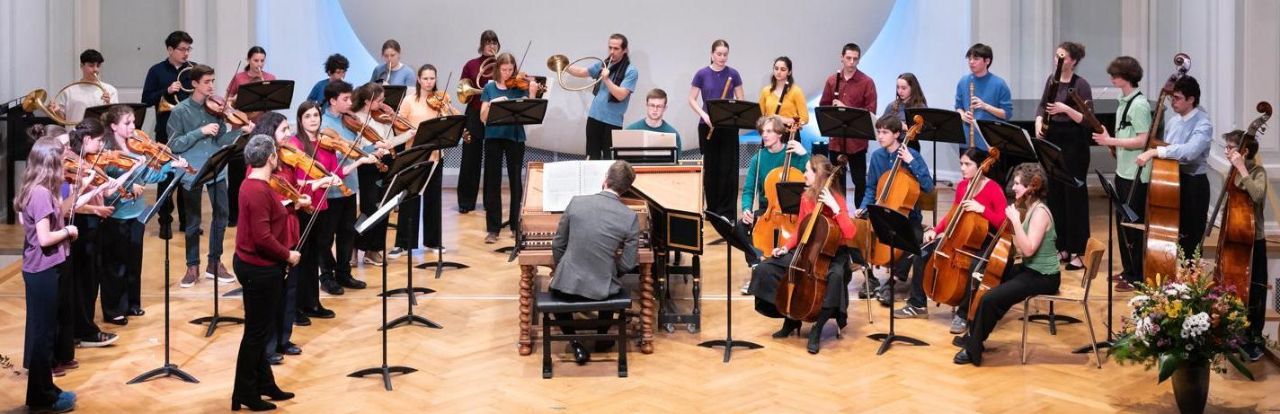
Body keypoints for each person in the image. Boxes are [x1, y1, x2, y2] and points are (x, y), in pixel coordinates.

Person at [892, 148, 1007, 337]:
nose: (962, 168)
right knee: (922, 253)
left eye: (967, 164)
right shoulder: (962, 187)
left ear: (981, 167)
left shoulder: (993, 189)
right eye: (961, 163)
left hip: (983, 243)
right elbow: (952, 214)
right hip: (958, 238)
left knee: (974, 269)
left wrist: (982, 209)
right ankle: (917, 304)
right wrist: (935, 231)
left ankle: (963, 314)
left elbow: (1004, 223)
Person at [748, 154, 856, 354]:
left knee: (835, 277)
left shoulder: (837, 199)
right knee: (767, 268)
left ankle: (818, 327)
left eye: (807, 171)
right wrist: (786, 247)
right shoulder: (807, 197)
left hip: (833, 254)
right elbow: (800, 228)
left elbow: (850, 233)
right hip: (807, 249)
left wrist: (834, 208)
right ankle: (790, 318)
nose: (804, 174)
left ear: (819, 175)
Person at [955, 163, 1060, 366]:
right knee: (989, 284)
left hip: (1044, 276)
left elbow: (1028, 249)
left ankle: (973, 350)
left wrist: (1016, 222)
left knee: (990, 299)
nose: (1013, 187)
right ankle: (974, 337)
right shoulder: (1029, 207)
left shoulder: (1040, 213)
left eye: (1018, 184)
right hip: (1030, 269)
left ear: (1032, 187)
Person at [98, 106, 188, 330]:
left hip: (136, 213)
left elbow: (149, 175)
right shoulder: (106, 152)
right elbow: (104, 182)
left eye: (133, 122)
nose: (133, 127)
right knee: (115, 265)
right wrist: (130, 183)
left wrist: (171, 166)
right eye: (127, 123)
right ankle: (113, 310)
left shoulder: (136, 148)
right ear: (113, 126)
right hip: (115, 214)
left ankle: (131, 303)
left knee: (133, 262)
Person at [166, 64, 255, 288]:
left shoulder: (217, 110)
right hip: (192, 171)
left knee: (222, 216)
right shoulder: (180, 112)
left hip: (216, 168)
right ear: (194, 84)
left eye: (213, 81)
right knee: (194, 221)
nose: (212, 86)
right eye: (207, 82)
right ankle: (192, 265)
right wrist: (200, 132)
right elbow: (174, 145)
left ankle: (214, 263)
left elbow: (222, 141)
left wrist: (238, 130)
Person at [231, 134, 300, 411]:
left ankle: (264, 383)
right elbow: (262, 237)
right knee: (256, 333)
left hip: (254, 266)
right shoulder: (257, 190)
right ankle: (244, 392)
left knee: (259, 329)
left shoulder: (252, 185)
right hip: (259, 269)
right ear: (271, 158)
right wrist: (288, 255)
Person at [549, 161, 641, 364]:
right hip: (602, 289)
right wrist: (607, 270)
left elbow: (557, 245)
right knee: (613, 285)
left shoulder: (576, 202)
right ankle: (601, 337)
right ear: (627, 188)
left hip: (567, 284)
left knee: (555, 290)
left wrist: (562, 268)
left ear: (605, 180)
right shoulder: (630, 216)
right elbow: (627, 264)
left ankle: (574, 342)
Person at [292, 101, 374, 322]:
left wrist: (358, 163)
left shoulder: (325, 144)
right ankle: (296, 308)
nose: (313, 119)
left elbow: (335, 172)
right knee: (302, 258)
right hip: (303, 206)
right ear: (300, 120)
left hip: (322, 205)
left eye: (315, 115)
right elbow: (295, 180)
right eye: (307, 116)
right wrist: (321, 181)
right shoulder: (295, 143)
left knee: (312, 259)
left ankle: (312, 303)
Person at [17, 136, 79, 413]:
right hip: (43, 270)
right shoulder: (41, 193)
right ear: (52, 162)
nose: (67, 163)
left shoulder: (36, 188)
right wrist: (69, 232)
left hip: (42, 268)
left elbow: (52, 217)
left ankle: (45, 392)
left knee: (46, 334)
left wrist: (79, 194)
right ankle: (43, 398)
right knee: (43, 337)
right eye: (63, 159)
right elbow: (44, 238)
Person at [318, 80, 385, 295]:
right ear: (332, 101)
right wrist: (346, 150)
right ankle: (326, 276)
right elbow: (325, 155)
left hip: (350, 185)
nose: (350, 102)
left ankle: (344, 272)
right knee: (327, 236)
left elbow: (359, 147)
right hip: (331, 188)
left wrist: (374, 147)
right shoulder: (322, 123)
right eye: (345, 99)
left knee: (347, 232)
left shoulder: (348, 120)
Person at [1090, 56, 1152, 291]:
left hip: (1137, 173)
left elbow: (1142, 139)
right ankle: (1128, 271)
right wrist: (1110, 137)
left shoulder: (1139, 105)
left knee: (1134, 226)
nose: (1111, 79)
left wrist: (1110, 140)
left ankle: (1137, 274)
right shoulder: (1123, 101)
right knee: (1123, 223)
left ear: (1125, 77)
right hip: (1123, 171)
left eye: (1114, 75)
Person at [1135, 76, 1212, 260]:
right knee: (1174, 233)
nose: (1173, 102)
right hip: (1172, 181)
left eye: (1177, 98)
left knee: (1191, 239)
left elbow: (1190, 152)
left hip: (1194, 185)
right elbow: (1170, 149)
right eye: (1172, 97)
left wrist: (1155, 152)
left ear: (1191, 99)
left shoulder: (1203, 123)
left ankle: (1190, 282)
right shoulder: (1174, 121)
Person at [858, 114, 934, 300]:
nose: (880, 136)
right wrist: (863, 207)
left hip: (907, 216)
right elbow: (871, 188)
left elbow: (928, 186)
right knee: (855, 229)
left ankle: (893, 280)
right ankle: (870, 277)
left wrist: (911, 162)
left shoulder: (912, 155)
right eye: (879, 132)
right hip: (882, 211)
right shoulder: (877, 157)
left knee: (913, 239)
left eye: (885, 132)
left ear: (897, 134)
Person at [1035, 42, 1093, 271]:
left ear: (1073, 61)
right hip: (1054, 140)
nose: (1058, 60)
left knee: (1075, 198)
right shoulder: (1052, 80)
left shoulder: (1082, 85)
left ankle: (1078, 250)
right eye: (1056, 56)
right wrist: (1039, 122)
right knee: (1056, 195)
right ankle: (1063, 247)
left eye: (1063, 57)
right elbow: (1042, 107)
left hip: (1074, 143)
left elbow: (1088, 120)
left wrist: (1065, 109)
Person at [390, 64, 457, 258]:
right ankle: (403, 244)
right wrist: (406, 130)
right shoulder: (409, 101)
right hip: (414, 154)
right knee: (409, 197)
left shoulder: (441, 101)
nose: (429, 82)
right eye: (425, 78)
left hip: (435, 155)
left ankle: (433, 241)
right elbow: (398, 128)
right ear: (419, 79)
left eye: (432, 78)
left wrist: (447, 110)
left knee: (433, 199)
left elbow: (452, 122)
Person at [734, 115, 809, 278]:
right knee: (741, 227)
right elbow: (748, 190)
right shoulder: (758, 158)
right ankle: (755, 265)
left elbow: (813, 175)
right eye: (763, 131)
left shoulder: (793, 155)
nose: (764, 135)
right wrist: (746, 209)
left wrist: (804, 155)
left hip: (792, 212)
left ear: (780, 134)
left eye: (769, 131)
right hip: (767, 210)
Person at [480, 52, 540, 244]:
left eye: (510, 69)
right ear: (498, 68)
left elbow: (531, 109)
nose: (508, 73)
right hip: (493, 137)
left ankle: (516, 225)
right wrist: (491, 104)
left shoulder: (518, 86)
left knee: (516, 181)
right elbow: (482, 117)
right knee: (493, 181)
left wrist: (531, 92)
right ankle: (493, 228)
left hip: (515, 137)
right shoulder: (490, 87)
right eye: (504, 69)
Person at [1221, 130, 1270, 362]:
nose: (1226, 151)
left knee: (1256, 289)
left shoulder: (1257, 172)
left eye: (1230, 147)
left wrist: (1241, 168)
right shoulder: (1230, 172)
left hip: (1254, 239)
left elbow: (1258, 196)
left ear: (1244, 151)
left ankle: (1254, 338)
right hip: (1235, 237)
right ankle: (1233, 333)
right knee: (1233, 286)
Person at [141, 30, 195, 238]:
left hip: (189, 130)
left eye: (188, 49)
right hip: (166, 130)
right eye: (182, 49)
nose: (186, 53)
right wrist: (167, 90)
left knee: (188, 176)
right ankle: (165, 222)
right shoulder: (156, 71)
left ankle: (187, 221)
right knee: (166, 177)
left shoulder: (193, 70)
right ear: (170, 49)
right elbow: (146, 99)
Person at [348, 83, 409, 265]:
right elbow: (355, 147)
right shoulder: (354, 118)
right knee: (370, 209)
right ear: (367, 101)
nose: (384, 104)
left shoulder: (381, 117)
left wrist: (409, 134)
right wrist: (373, 149)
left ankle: (373, 250)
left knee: (384, 207)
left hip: (386, 163)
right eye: (380, 100)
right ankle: (353, 244)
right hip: (367, 166)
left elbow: (389, 142)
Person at [688, 39, 744, 219]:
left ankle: (727, 212)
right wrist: (704, 115)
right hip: (707, 126)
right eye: (719, 54)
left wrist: (729, 111)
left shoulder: (733, 74)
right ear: (712, 54)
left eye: (725, 54)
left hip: (727, 126)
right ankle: (712, 211)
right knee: (711, 168)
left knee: (728, 168)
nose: (722, 58)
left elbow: (741, 100)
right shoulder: (701, 74)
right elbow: (691, 99)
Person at [564, 33, 639, 160]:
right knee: (592, 157)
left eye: (616, 49)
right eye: (610, 48)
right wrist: (564, 67)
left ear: (625, 50)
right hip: (594, 117)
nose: (612, 52)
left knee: (609, 160)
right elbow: (583, 72)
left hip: (612, 122)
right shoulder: (604, 64)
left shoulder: (631, 71)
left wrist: (606, 79)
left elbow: (621, 95)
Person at [226, 46, 278, 228]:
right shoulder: (239, 78)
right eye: (256, 60)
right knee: (237, 172)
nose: (259, 64)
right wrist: (236, 101)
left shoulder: (269, 78)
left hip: (261, 128)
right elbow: (228, 100)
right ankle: (233, 215)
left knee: (261, 171)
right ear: (249, 60)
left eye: (262, 60)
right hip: (241, 128)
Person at [819, 43, 876, 203]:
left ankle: (860, 215)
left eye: (855, 59)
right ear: (842, 58)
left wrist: (846, 109)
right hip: (836, 140)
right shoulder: (832, 81)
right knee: (836, 182)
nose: (851, 62)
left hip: (857, 141)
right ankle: (839, 215)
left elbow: (870, 111)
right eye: (848, 58)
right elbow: (824, 107)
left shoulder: (866, 82)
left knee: (860, 181)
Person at [457, 30, 500, 214]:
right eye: (487, 42)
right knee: (470, 159)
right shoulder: (471, 65)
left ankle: (490, 203)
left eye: (494, 42)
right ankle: (466, 202)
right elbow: (463, 91)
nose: (491, 46)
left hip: (495, 113)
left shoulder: (503, 64)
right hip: (475, 112)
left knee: (492, 160)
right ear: (481, 45)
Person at [955, 43, 1013, 152]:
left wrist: (985, 106)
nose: (971, 62)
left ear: (987, 61)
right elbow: (958, 106)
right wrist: (962, 115)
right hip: (966, 140)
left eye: (976, 59)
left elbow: (1007, 114)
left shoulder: (999, 84)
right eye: (969, 59)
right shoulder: (963, 81)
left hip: (988, 143)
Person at [49, 49, 119, 124]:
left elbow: (115, 120)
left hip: (99, 134)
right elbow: (62, 121)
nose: (95, 69)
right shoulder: (69, 91)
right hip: (74, 133)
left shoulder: (110, 90)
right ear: (81, 66)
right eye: (91, 65)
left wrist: (108, 103)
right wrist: (56, 111)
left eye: (98, 66)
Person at [624, 88, 682, 157]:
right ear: (646, 105)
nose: (655, 109)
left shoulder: (673, 134)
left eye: (659, 106)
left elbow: (677, 164)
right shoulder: (631, 131)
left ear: (665, 108)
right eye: (652, 105)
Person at [758, 56, 809, 127]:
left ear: (789, 72)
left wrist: (784, 120)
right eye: (776, 69)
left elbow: (805, 119)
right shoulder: (765, 90)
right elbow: (760, 115)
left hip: (789, 132)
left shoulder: (796, 91)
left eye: (783, 69)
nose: (778, 72)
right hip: (771, 132)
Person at [884, 72, 926, 151]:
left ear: (912, 88)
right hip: (892, 145)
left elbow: (924, 131)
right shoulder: (891, 106)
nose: (899, 91)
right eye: (898, 87)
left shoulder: (920, 107)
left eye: (903, 88)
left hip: (911, 146)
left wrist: (905, 127)